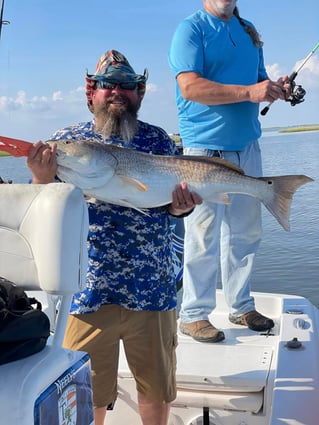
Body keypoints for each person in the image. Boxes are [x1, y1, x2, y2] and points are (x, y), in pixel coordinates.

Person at [26, 50, 202, 425]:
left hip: (151, 287)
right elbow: (43, 211)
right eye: (107, 85)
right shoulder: (66, 142)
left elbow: (170, 206)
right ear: (91, 93)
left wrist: (182, 207)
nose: (117, 92)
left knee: (156, 387)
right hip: (87, 289)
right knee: (84, 394)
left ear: (139, 93)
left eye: (127, 85)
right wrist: (41, 180)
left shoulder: (158, 141)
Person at [168, 0, 290, 343]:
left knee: (246, 232)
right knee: (203, 235)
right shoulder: (190, 29)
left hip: (248, 146)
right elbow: (190, 87)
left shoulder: (248, 31)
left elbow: (259, 82)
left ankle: (241, 305)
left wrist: (275, 88)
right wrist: (251, 91)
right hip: (204, 150)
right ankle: (193, 314)